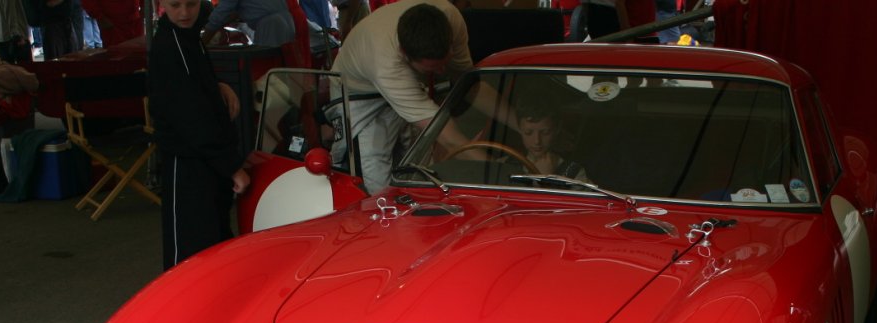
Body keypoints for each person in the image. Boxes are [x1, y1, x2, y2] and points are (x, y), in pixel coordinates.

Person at [330, 0, 515, 194]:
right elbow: (450, 138)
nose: (443, 71)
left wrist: (522, 125)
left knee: (419, 171)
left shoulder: (451, 18)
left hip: (399, 76)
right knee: (377, 185)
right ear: (405, 55)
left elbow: (471, 85)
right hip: (359, 95)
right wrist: (502, 172)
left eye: (445, 62)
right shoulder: (387, 65)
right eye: (434, 68)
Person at [149, 0, 249, 270]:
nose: (184, 13)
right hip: (188, 160)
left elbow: (193, 84)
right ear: (162, 6)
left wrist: (218, 86)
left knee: (214, 242)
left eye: (191, 4)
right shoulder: (170, 45)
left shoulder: (188, 37)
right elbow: (192, 116)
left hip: (203, 159)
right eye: (176, 5)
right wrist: (231, 165)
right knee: (191, 254)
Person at [514, 93, 588, 181]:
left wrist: (545, 181)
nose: (537, 141)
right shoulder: (504, 165)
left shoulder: (574, 174)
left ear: (557, 128)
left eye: (545, 132)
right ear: (519, 129)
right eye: (528, 132)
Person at [200, 0, 296, 47]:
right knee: (283, 70)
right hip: (287, 21)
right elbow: (236, 12)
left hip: (272, 26)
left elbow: (218, 16)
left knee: (268, 69)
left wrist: (200, 45)